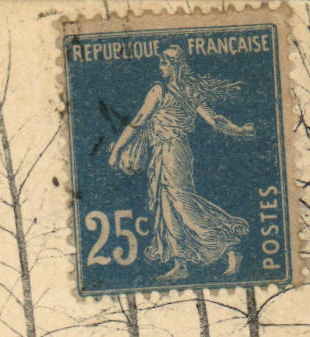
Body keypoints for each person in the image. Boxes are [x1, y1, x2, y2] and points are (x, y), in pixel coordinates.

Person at [108, 44, 254, 281]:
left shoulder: (161, 91)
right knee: (167, 206)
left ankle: (227, 244)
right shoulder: (188, 91)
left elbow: (138, 121)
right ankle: (181, 262)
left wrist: (117, 150)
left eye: (164, 63)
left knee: (182, 204)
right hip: (164, 152)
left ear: (175, 66)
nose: (160, 67)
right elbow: (215, 120)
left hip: (173, 152)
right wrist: (239, 130)